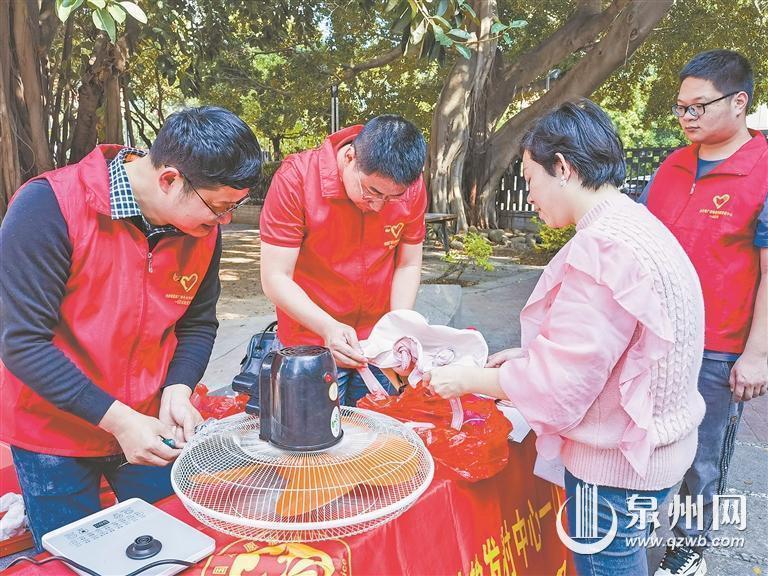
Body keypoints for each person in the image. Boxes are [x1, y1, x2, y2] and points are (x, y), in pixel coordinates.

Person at [424, 99, 706, 575]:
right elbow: (617, 346)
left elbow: (558, 388)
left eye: (530, 178)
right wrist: (531, 355)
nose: (529, 196)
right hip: (657, 452)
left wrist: (466, 379)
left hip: (615, 471)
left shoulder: (604, 248)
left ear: (562, 167)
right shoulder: (637, 225)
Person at [0, 106, 262, 549]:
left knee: (178, 543)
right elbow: (23, 343)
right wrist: (120, 421)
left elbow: (197, 323)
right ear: (170, 180)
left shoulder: (200, 232)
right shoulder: (48, 207)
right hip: (52, 431)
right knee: (78, 556)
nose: (225, 221)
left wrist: (177, 389)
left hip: (149, 420)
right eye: (220, 207)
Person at [638, 50, 768, 576]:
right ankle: (634, 530)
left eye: (699, 106)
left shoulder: (762, 172)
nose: (686, 116)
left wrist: (756, 355)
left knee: (702, 456)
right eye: (681, 107)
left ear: (739, 102)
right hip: (654, 338)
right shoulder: (673, 165)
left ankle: (690, 545)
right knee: (641, 441)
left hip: (718, 346)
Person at [259, 114, 427, 405]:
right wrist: (327, 327)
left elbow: (408, 264)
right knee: (312, 431)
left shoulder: (411, 187)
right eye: (372, 191)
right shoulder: (296, 178)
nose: (378, 206)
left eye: (392, 198)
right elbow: (275, 277)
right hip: (310, 342)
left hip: (378, 344)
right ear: (350, 157)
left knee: (376, 429)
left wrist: (397, 327)